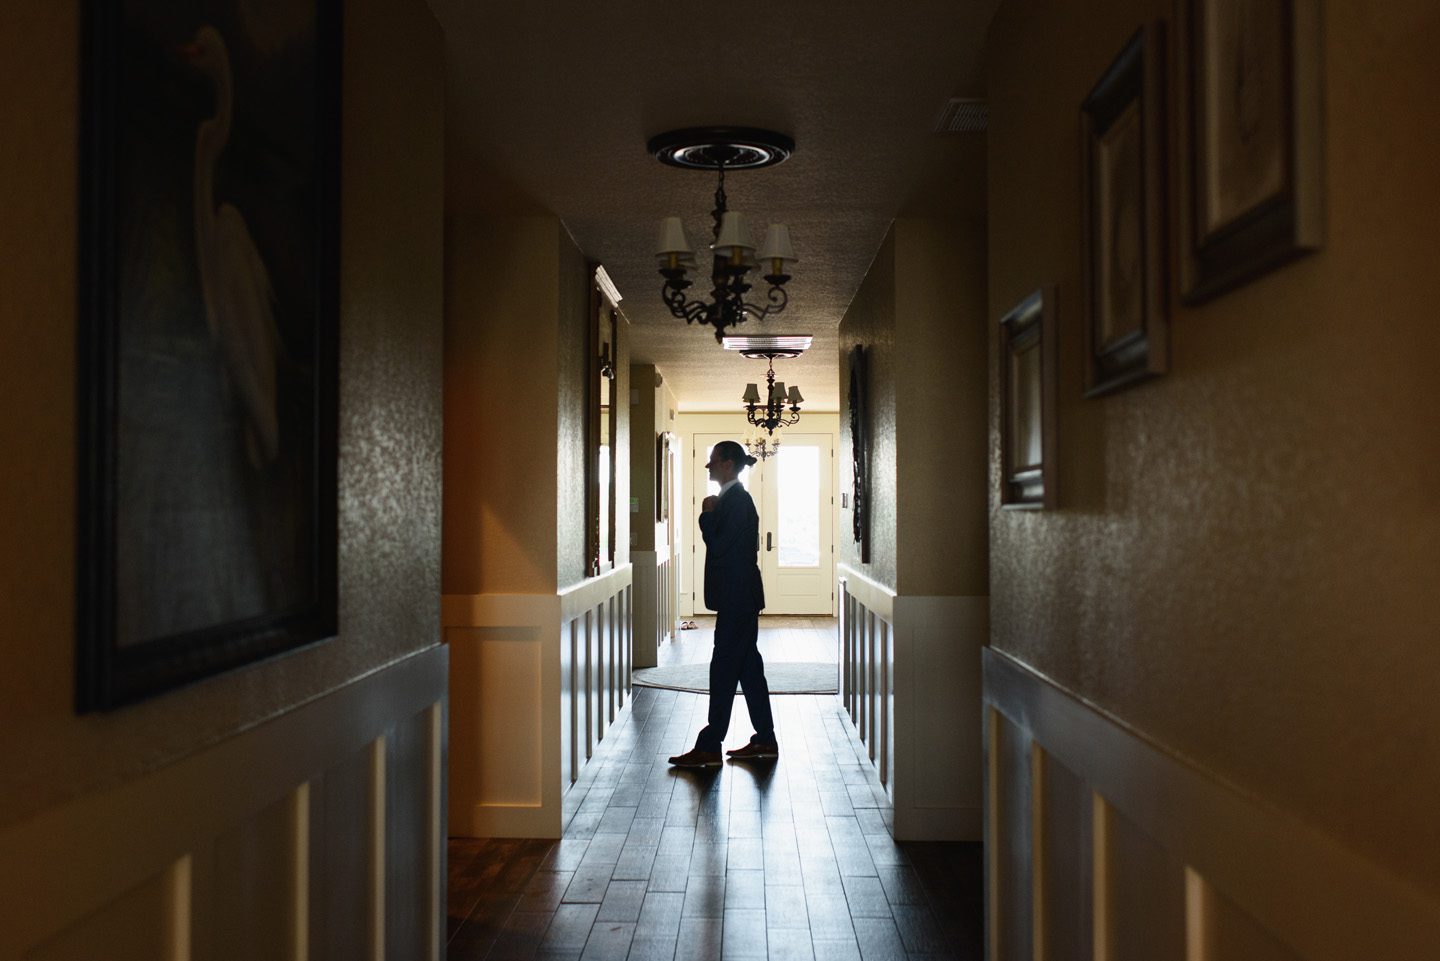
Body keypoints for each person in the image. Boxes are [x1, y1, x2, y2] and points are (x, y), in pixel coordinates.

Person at [668, 440, 779, 767]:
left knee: (723, 670)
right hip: (739, 597)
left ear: (728, 464)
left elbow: (718, 546)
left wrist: (706, 514)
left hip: (737, 598)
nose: (709, 466)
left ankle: (710, 745)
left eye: (713, 460)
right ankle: (765, 740)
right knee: (749, 671)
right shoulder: (733, 500)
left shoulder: (737, 501)